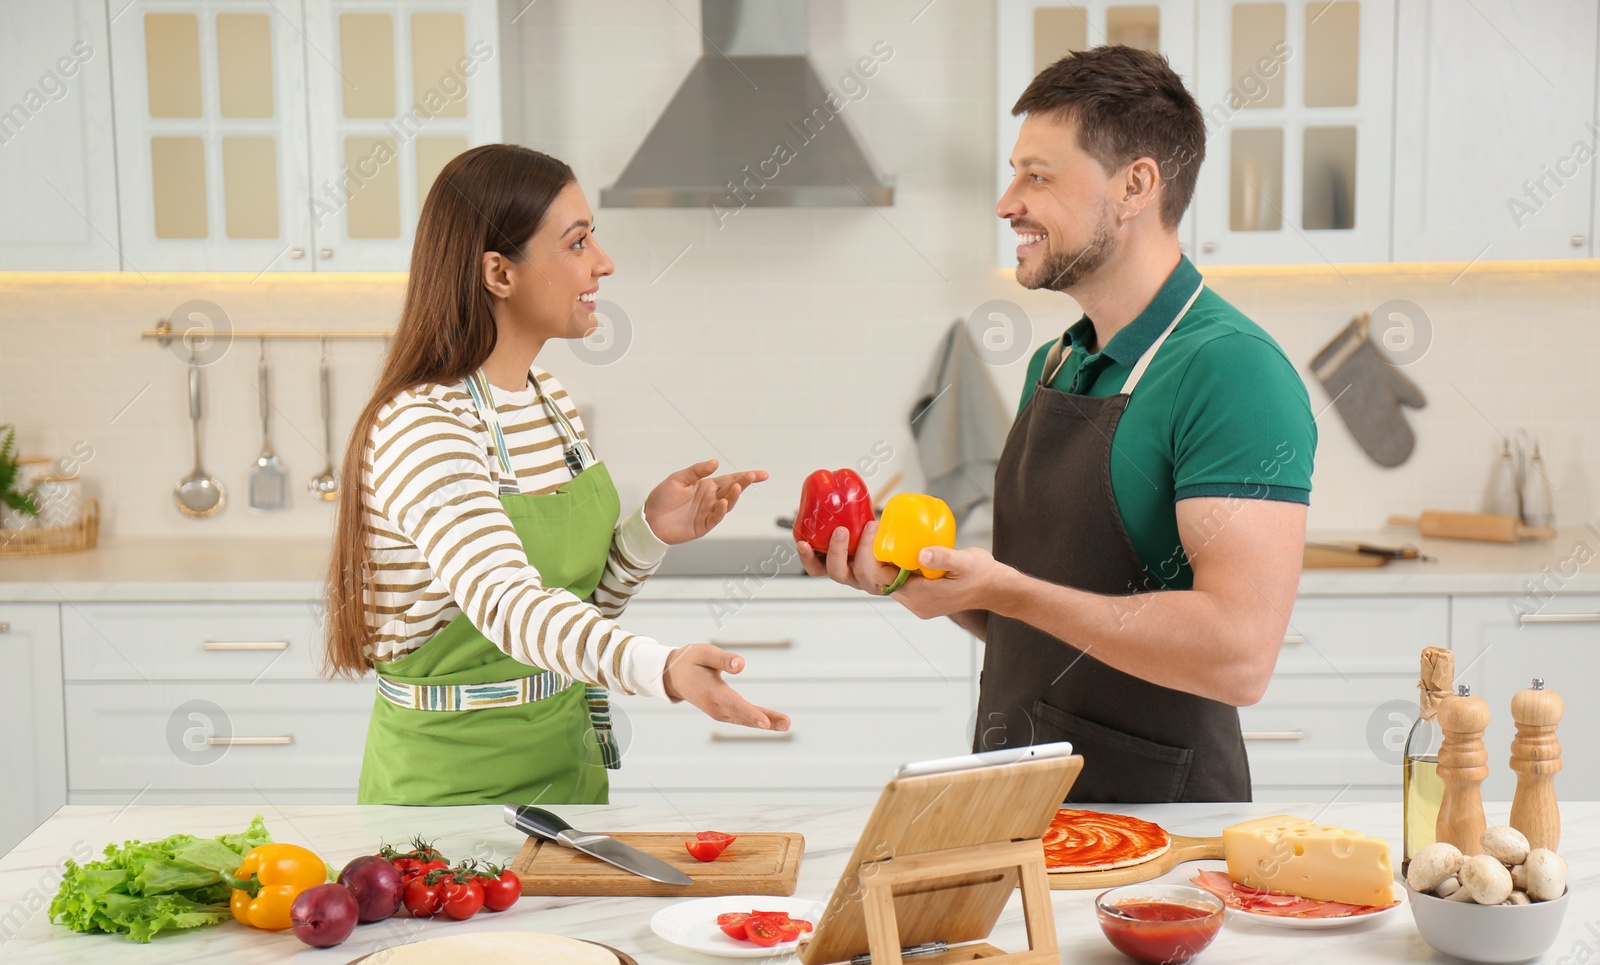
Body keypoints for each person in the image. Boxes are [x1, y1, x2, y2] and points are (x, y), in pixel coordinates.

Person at [800, 46, 1316, 803]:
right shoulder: (1057, 361)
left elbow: (1239, 656)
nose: (1008, 202)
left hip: (1157, 831)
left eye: (1036, 175)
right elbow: (1051, 616)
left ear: (1136, 185)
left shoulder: (1231, 371)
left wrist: (1007, 591)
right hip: (1026, 800)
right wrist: (928, 582)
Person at [323, 144, 788, 806]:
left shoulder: (549, 400)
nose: (604, 261)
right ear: (499, 273)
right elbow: (509, 606)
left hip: (566, 769)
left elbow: (572, 614)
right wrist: (662, 668)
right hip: (449, 793)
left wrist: (648, 534)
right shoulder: (425, 425)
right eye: (577, 243)